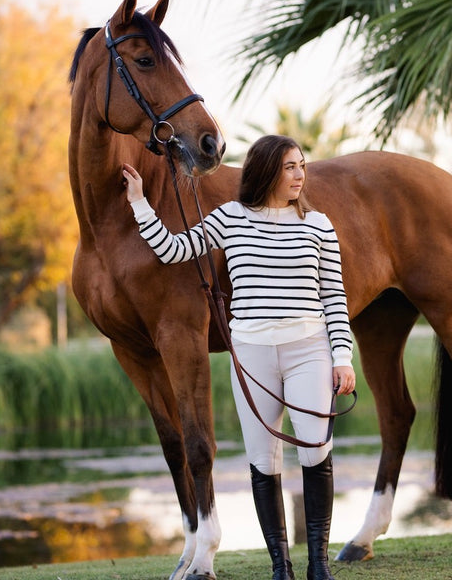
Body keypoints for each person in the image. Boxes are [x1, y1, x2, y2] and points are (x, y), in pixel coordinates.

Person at [123, 135, 356, 580]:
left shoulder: (318, 225)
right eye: (290, 166)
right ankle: (281, 568)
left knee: (316, 452)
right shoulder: (231, 218)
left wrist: (341, 356)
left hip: (309, 351)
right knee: (263, 461)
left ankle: (319, 566)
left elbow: (334, 298)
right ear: (266, 169)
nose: (300, 174)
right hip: (251, 355)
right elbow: (173, 249)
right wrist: (139, 203)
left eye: (301, 165)